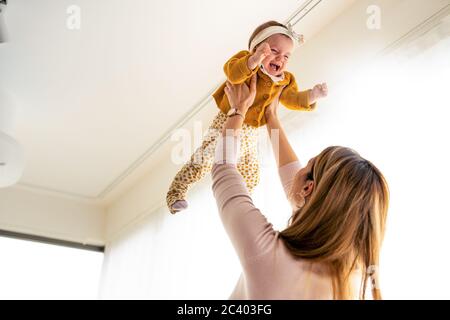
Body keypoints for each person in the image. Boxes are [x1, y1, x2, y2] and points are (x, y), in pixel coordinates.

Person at [211, 74, 389, 299]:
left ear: (308, 188)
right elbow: (300, 193)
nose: (298, 169)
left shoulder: (266, 251)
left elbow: (223, 168)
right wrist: (271, 117)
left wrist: (238, 109)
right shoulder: (357, 279)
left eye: (306, 165)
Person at [166, 20, 328, 214]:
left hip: (251, 133)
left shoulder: (285, 79)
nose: (281, 59)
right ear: (256, 48)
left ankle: (241, 208)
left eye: (286, 56)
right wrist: (254, 60)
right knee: (206, 158)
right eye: (274, 51)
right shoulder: (246, 61)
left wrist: (312, 95)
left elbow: (291, 98)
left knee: (251, 175)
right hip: (228, 121)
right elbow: (232, 74)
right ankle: (176, 192)